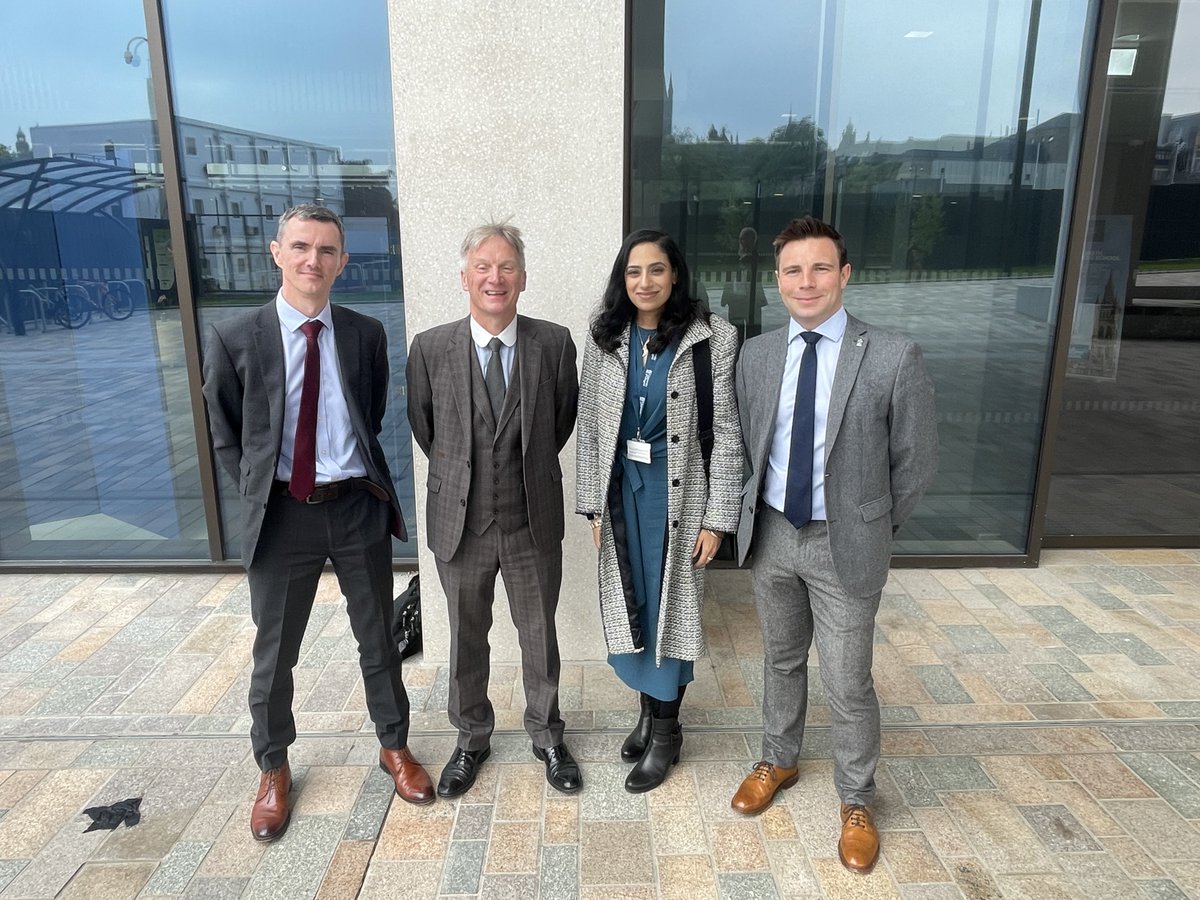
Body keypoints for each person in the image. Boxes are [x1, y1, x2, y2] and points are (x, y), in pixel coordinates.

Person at [201, 204, 433, 843]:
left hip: (355, 506)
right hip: (282, 517)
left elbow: (372, 407)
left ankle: (395, 747)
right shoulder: (234, 336)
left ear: (342, 262)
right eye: (301, 247)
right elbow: (224, 433)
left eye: (327, 250)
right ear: (277, 252)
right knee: (275, 656)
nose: (313, 260)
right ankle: (273, 767)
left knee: (378, 640)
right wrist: (256, 495)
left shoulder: (363, 334)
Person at [731, 216, 937, 873]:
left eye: (820, 268)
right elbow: (744, 444)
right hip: (772, 537)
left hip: (843, 544)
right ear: (778, 280)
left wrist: (872, 523)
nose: (806, 281)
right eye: (793, 270)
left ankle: (857, 800)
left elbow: (917, 459)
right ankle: (779, 758)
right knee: (781, 659)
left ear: (845, 275)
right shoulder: (757, 354)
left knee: (849, 680)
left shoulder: (891, 355)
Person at [406, 222, 581, 797]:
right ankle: (471, 737)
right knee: (465, 636)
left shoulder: (553, 344)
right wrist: (464, 476)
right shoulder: (431, 348)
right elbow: (428, 429)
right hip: (460, 523)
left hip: (533, 519)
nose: (495, 277)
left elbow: (560, 423)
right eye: (483, 266)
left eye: (506, 266)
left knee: (540, 634)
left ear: (524, 278)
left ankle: (547, 734)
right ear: (464, 277)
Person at [576, 229, 741, 793]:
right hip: (624, 494)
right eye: (633, 271)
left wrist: (718, 518)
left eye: (656, 270)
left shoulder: (710, 339)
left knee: (674, 609)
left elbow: (726, 433)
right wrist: (593, 508)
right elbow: (593, 433)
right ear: (622, 280)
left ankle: (667, 733)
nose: (644, 282)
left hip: (682, 494)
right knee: (636, 603)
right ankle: (648, 714)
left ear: (676, 275)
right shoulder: (605, 338)